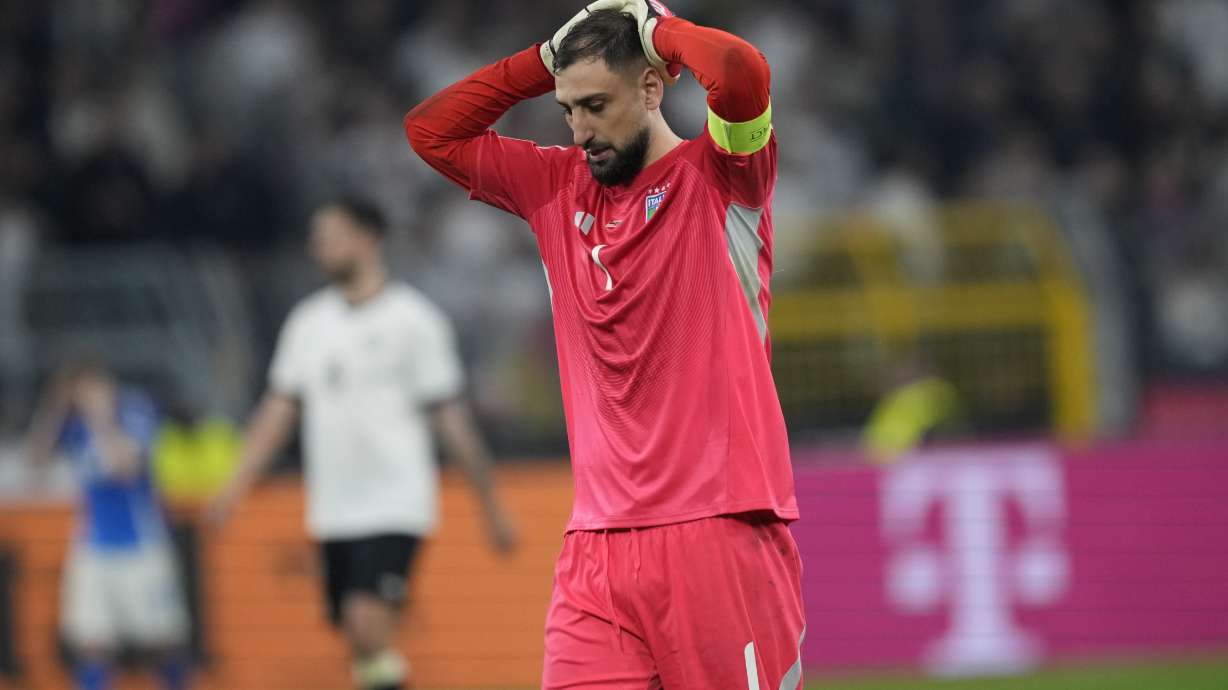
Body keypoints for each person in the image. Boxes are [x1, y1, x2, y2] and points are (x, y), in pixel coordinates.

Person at [404, 1, 805, 687]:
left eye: (596, 104)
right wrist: (540, 60)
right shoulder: (557, 188)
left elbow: (740, 71)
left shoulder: (723, 179)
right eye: (567, 109)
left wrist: (656, 29)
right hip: (597, 548)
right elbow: (430, 133)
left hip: (721, 526)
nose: (580, 129)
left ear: (652, 88)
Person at [207, 196, 517, 690]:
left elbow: (451, 418)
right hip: (334, 508)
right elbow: (278, 412)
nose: (319, 248)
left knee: (365, 621)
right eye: (316, 239)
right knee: (361, 640)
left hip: (396, 502)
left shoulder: (414, 321)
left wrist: (491, 505)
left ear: (368, 237)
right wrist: (233, 488)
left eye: (329, 236)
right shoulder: (308, 324)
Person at [25, 358, 192, 690]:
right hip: (93, 545)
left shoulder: (136, 412)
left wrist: (100, 417)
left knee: (160, 642)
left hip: (141, 545)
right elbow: (35, 461)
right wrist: (55, 407)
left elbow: (125, 466)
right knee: (91, 643)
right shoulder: (74, 427)